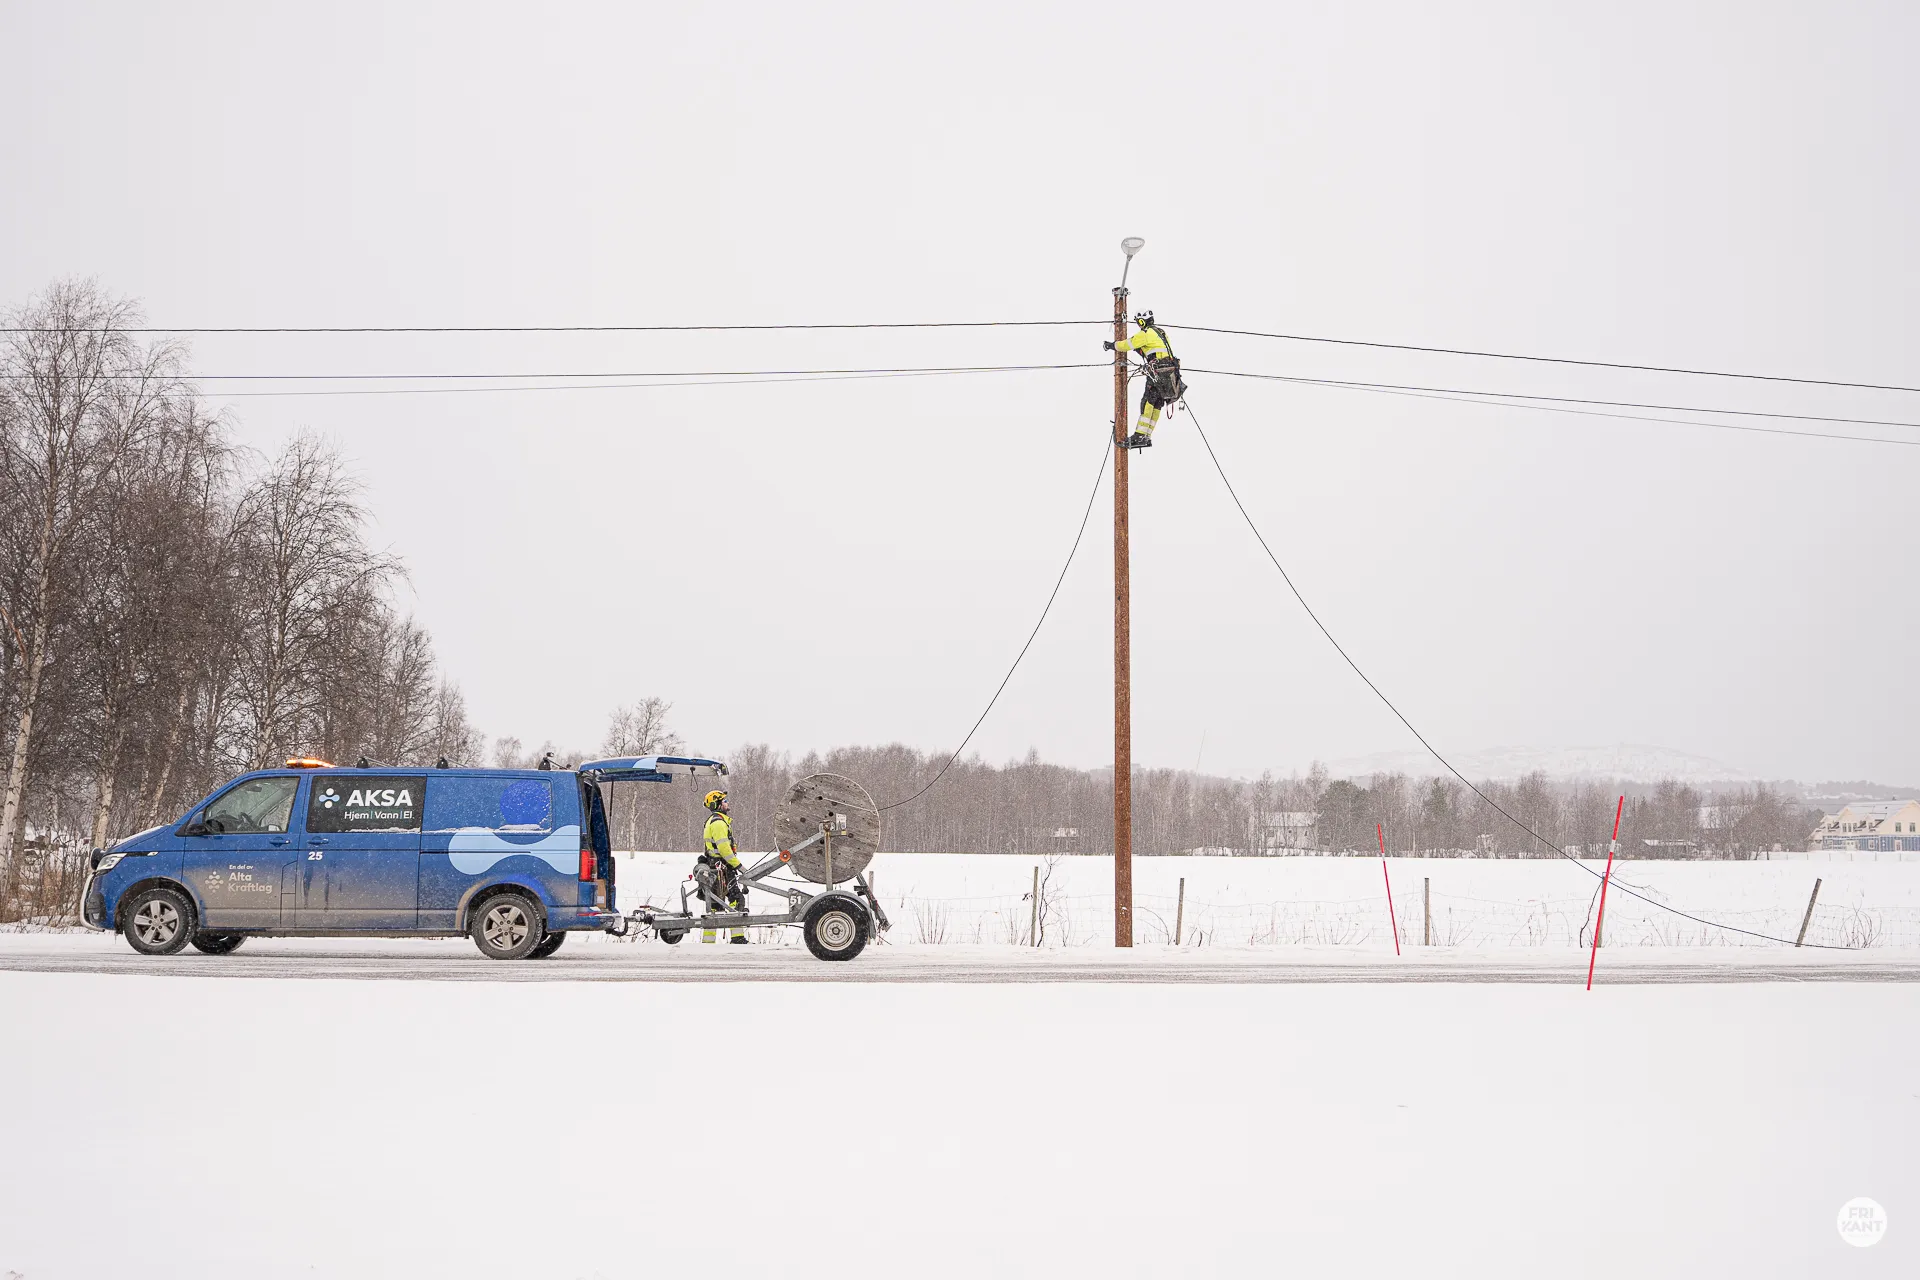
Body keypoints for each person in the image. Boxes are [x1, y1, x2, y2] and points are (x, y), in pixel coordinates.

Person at [1102, 311, 1184, 449]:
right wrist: (1141, 350)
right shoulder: (1160, 332)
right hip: (1169, 373)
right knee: (1156, 403)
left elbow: (1126, 344)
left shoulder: (1145, 333)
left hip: (1158, 371)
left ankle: (1139, 435)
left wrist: (1111, 345)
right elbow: (1154, 349)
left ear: (1142, 321)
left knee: (1147, 401)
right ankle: (1146, 436)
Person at [699, 790, 748, 943]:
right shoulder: (719, 823)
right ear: (718, 805)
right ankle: (738, 938)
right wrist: (740, 867)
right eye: (724, 800)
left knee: (714, 905)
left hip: (715, 868)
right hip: (723, 869)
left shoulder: (713, 821)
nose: (727, 803)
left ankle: (708, 942)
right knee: (736, 900)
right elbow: (725, 850)